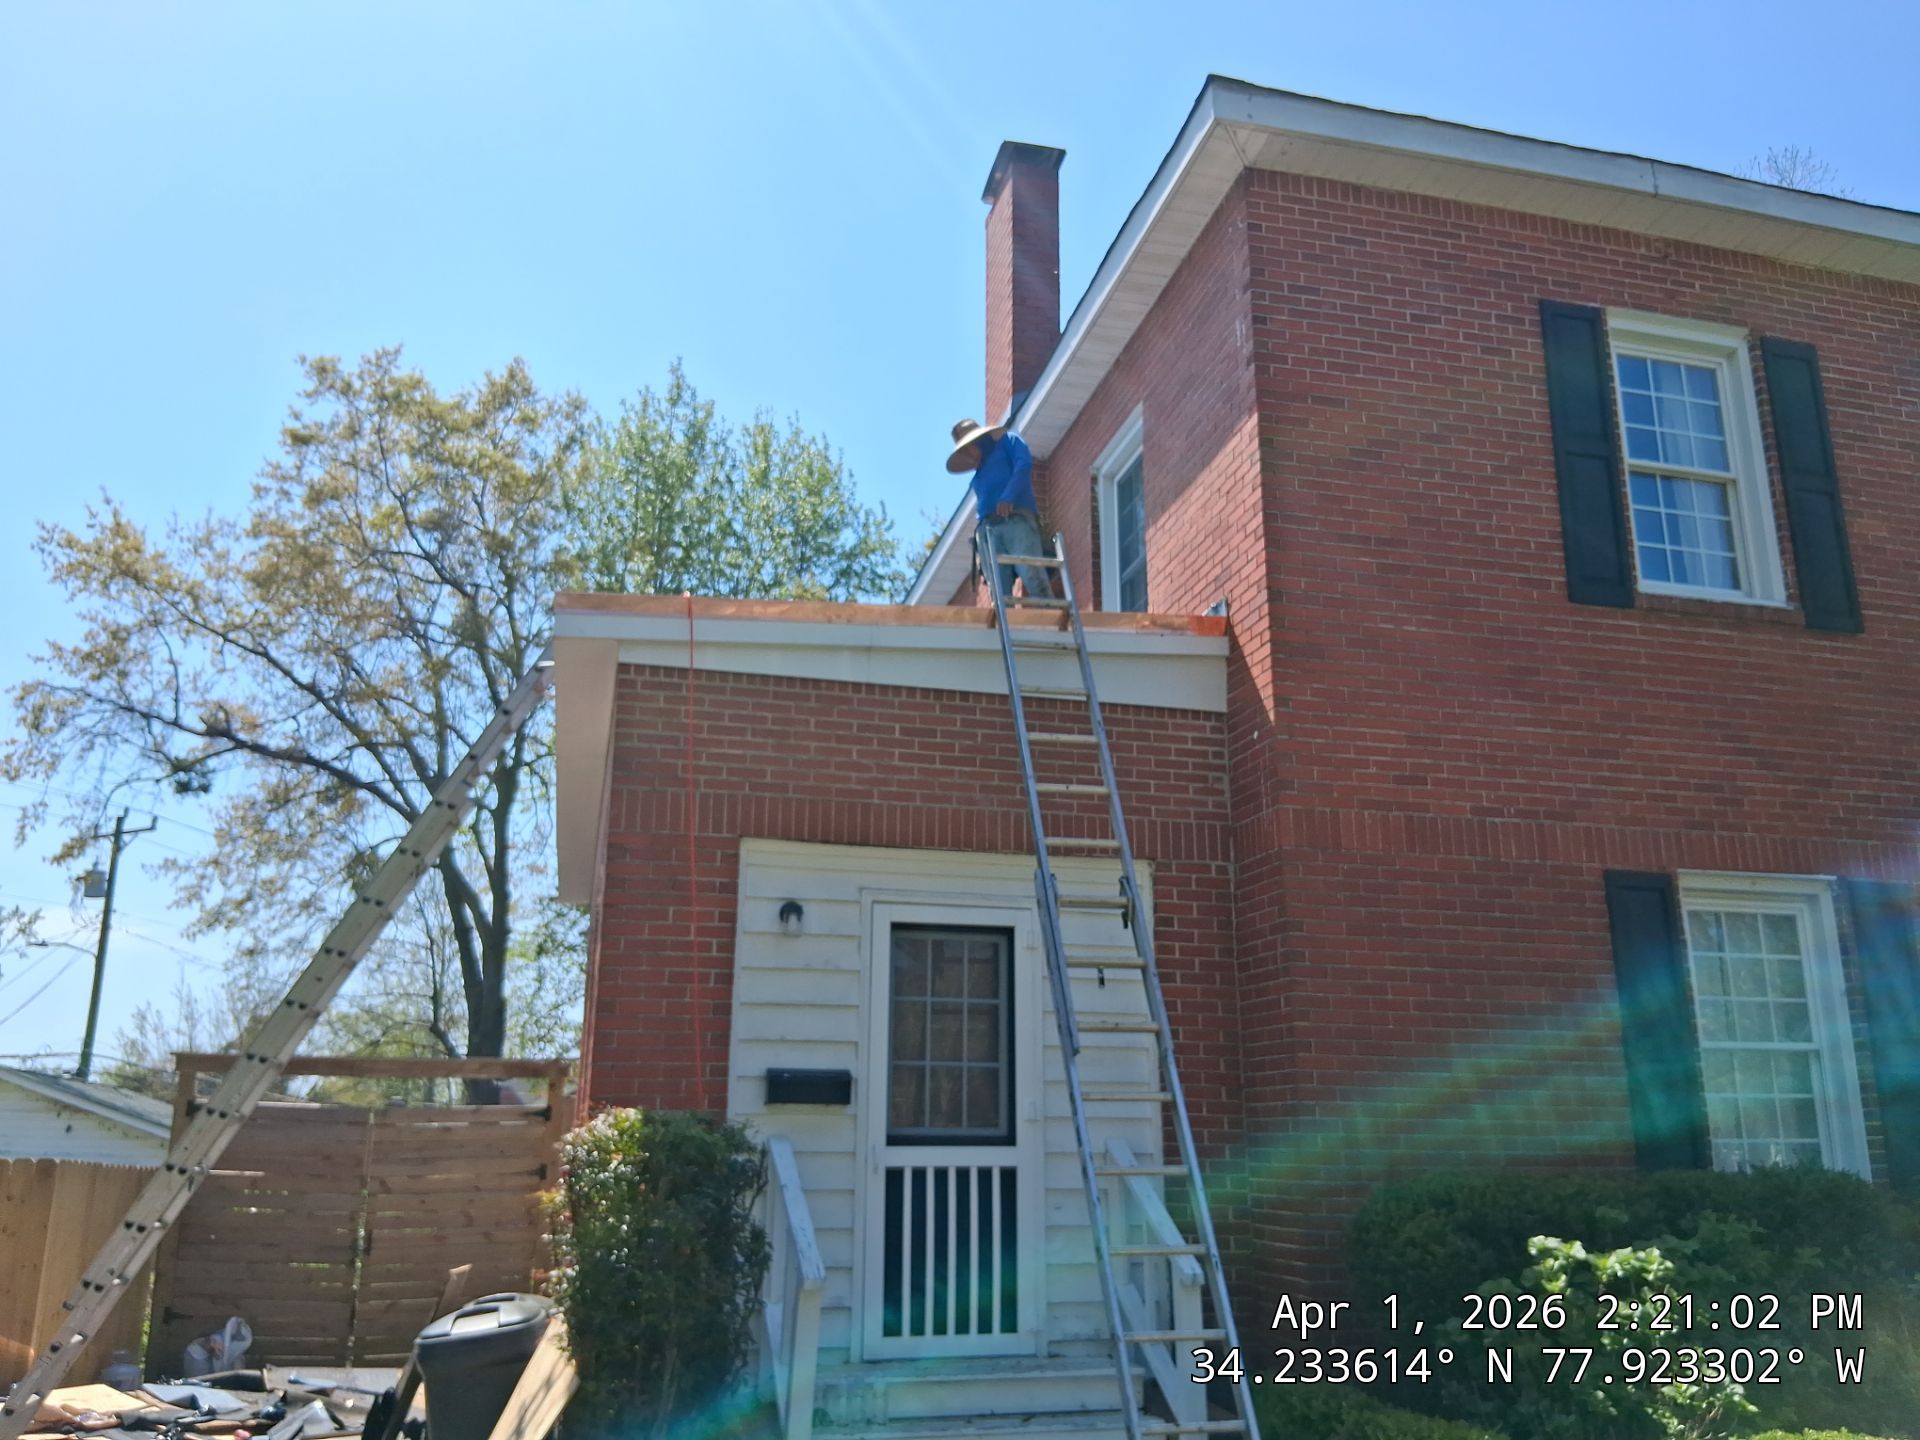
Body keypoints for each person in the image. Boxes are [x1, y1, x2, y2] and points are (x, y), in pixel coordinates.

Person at [947, 417, 1056, 600]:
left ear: (977, 441)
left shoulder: (1009, 442)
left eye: (968, 449)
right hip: (988, 530)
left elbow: (1023, 464)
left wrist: (1008, 496)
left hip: (1016, 520)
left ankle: (1053, 619)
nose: (968, 456)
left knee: (1031, 573)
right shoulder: (979, 474)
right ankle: (1003, 622)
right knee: (998, 587)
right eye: (964, 452)